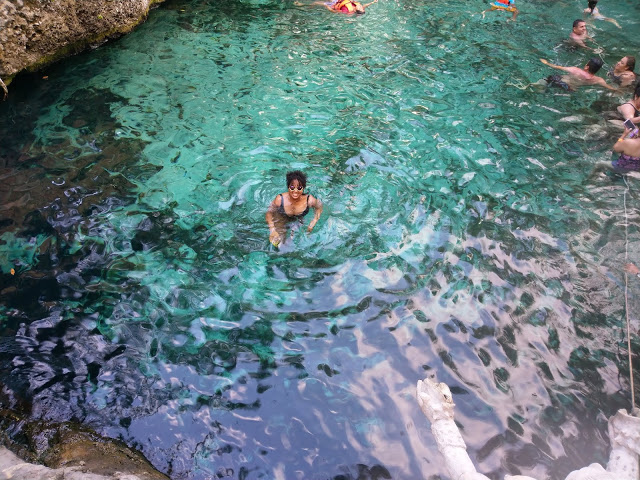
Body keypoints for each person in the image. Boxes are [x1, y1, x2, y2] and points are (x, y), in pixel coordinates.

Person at [265, 171, 323, 247]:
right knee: (279, 243)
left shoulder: (309, 200)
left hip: (299, 219)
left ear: (303, 188)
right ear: (288, 187)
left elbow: (319, 207)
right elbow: (269, 213)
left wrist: (314, 221)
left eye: (299, 188)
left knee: (296, 241)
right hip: (281, 217)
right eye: (292, 187)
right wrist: (272, 229)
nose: (295, 191)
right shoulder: (280, 199)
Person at [540, 57, 617, 91]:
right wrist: (618, 90)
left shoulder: (575, 70)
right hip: (571, 89)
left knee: (550, 78)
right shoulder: (598, 80)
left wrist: (546, 63)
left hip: (562, 82)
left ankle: (540, 86)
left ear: (586, 67)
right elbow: (609, 87)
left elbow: (557, 67)